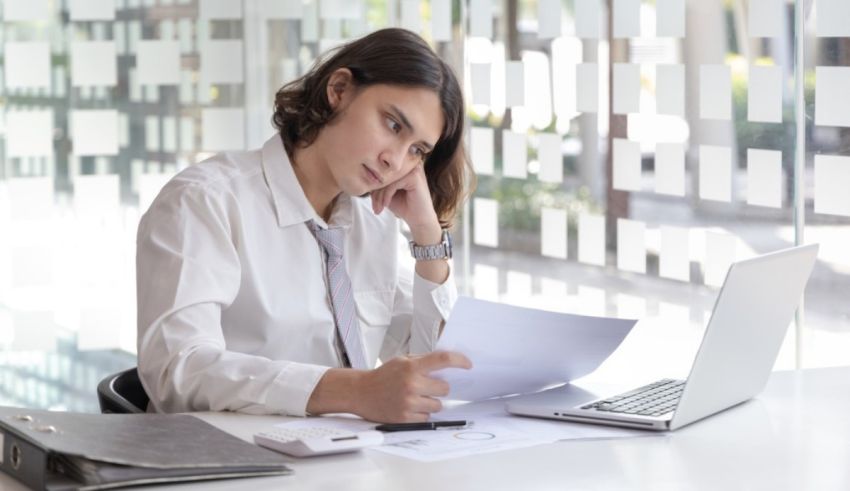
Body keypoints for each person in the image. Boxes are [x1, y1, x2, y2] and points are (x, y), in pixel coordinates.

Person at [136, 28, 474, 423]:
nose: (394, 161)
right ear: (340, 90)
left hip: (351, 463)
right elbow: (178, 370)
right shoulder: (205, 201)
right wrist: (353, 391)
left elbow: (439, 373)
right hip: (236, 466)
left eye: (417, 150)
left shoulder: (373, 221)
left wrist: (427, 236)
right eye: (394, 125)